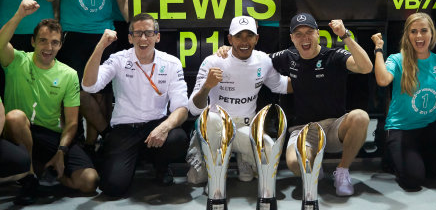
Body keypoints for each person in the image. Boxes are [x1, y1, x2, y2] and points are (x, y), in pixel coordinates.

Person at [43, 0, 128, 152]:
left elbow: (122, 0)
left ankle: (93, 146)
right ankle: (108, 135)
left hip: (105, 34)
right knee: (79, 92)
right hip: (73, 35)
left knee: (101, 93)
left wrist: (136, 25)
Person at [1, 0, 99, 205]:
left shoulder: (69, 74)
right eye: (43, 40)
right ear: (33, 41)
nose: (48, 47)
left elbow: (72, 122)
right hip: (17, 133)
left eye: (54, 42)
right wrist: (19, 14)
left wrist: (61, 152)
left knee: (89, 181)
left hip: (50, 135)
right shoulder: (16, 60)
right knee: (16, 117)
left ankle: (45, 170)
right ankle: (29, 178)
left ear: (61, 45)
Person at [82, 13, 189, 197]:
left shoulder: (172, 63)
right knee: (113, 187)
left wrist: (164, 127)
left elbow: (182, 108)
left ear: (158, 36)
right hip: (125, 129)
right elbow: (89, 85)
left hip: (156, 126)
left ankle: (161, 167)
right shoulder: (118, 59)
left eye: (148, 33)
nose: (143, 38)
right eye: (137, 33)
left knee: (177, 138)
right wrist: (101, 46)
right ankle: (133, 160)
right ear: (130, 38)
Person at [270, 13, 373, 196]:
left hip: (334, 126)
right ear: (292, 38)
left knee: (360, 117)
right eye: (299, 34)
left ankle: (342, 171)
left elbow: (366, 67)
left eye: (309, 32)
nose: (305, 38)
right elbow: (257, 61)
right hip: (303, 129)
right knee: (295, 164)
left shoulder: (333, 55)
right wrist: (226, 53)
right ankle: (315, 168)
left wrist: (345, 35)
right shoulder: (288, 56)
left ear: (318, 34)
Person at [371, 13, 436, 190]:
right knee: (413, 182)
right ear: (407, 36)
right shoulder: (397, 59)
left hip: (429, 128)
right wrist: (379, 49)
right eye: (413, 31)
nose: (419, 36)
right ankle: (395, 158)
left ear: (431, 33)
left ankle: (428, 161)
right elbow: (382, 80)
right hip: (402, 129)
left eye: (424, 31)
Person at [186, 15, 290, 182]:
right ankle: (215, 168)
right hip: (216, 128)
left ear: (256, 39)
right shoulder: (213, 61)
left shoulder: (263, 60)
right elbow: (193, 108)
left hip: (245, 127)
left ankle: (244, 158)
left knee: (270, 152)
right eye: (238, 36)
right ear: (230, 39)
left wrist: (314, 75)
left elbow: (282, 85)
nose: (244, 42)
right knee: (196, 179)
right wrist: (207, 86)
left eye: (249, 36)